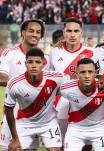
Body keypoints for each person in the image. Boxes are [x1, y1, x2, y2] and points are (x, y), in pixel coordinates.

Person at [48, 17, 95, 147]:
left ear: (81, 32)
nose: (72, 34)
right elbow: (50, 79)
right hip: (60, 105)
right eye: (69, 31)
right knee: (59, 144)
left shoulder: (92, 53)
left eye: (76, 31)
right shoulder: (54, 52)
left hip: (84, 105)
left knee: (85, 144)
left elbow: (98, 77)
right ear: (64, 33)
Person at [5, 48, 63, 151]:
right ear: (25, 64)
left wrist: (99, 78)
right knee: (14, 148)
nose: (34, 65)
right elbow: (8, 109)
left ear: (43, 64)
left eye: (37, 62)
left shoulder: (56, 78)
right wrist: (14, 138)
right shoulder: (14, 83)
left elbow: (74, 85)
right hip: (24, 124)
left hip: (48, 124)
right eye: (30, 62)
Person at [0, 19, 46, 151]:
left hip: (34, 115)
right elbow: (2, 77)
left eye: (38, 32)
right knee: (9, 148)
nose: (35, 34)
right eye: (31, 31)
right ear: (23, 33)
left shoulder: (45, 58)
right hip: (12, 113)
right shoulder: (10, 53)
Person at [60, 58, 104, 151]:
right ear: (77, 74)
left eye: (90, 72)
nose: (87, 76)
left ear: (95, 73)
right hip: (76, 129)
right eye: (83, 72)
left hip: (100, 128)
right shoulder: (66, 88)